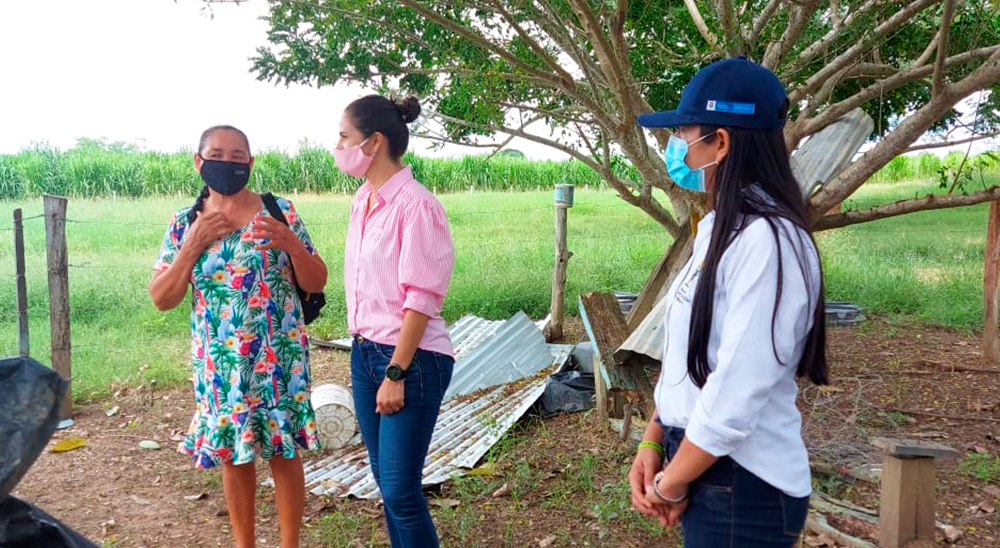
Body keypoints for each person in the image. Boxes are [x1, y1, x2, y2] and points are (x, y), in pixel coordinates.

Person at [627, 57, 829, 548]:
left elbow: (737, 391)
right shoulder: (721, 227)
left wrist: (671, 481)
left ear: (721, 142)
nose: (678, 151)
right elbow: (691, 356)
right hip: (705, 464)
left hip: (742, 484)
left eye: (686, 135)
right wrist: (655, 435)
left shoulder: (770, 241)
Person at [149, 125, 328, 548]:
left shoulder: (278, 211)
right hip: (221, 364)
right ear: (198, 162)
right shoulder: (185, 224)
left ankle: (289, 544)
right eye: (216, 154)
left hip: (278, 356)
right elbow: (162, 298)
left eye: (237, 156)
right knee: (234, 453)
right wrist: (192, 246)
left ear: (250, 163)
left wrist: (291, 245)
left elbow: (316, 281)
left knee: (284, 451)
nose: (227, 163)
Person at [336, 95, 455, 548]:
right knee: (388, 487)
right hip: (365, 352)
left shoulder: (416, 206)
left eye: (345, 136)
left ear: (374, 142)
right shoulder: (363, 200)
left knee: (402, 490)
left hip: (411, 359)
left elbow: (420, 300)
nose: (339, 146)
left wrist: (396, 373)